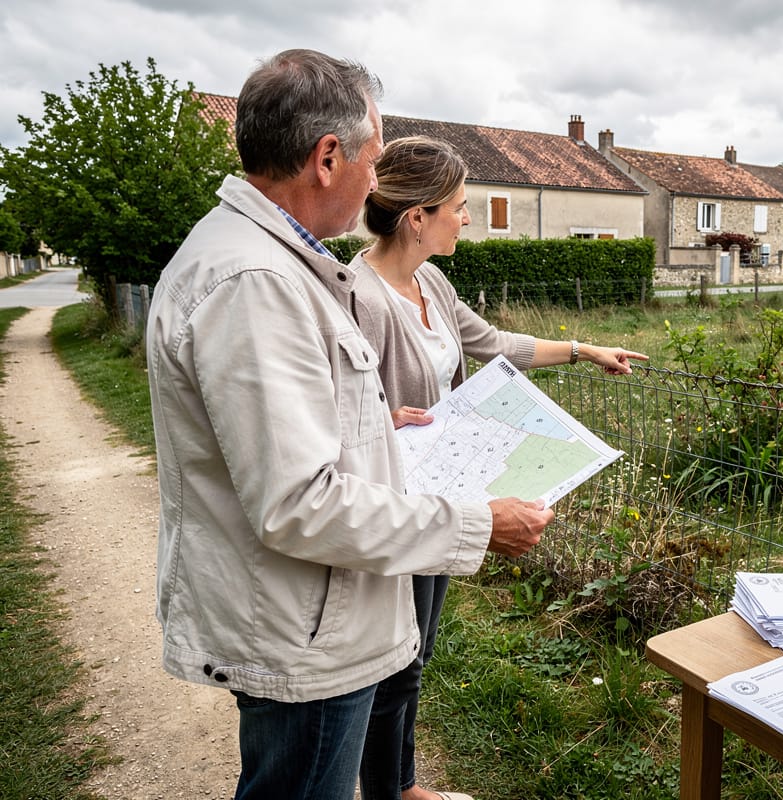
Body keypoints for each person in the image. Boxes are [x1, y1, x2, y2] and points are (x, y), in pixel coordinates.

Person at [144, 50, 554, 800]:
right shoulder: (257, 284)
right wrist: (474, 525)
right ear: (327, 157)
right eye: (372, 157)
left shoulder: (272, 263)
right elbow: (298, 501)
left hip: (311, 614)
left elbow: (284, 427)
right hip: (306, 634)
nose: (377, 182)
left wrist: (368, 419)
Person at [349, 135, 648, 800]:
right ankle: (385, 789)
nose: (467, 217)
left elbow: (493, 344)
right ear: (417, 216)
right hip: (395, 504)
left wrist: (582, 348)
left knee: (415, 654)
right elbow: (339, 408)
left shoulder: (431, 279)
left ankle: (398, 785)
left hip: (444, 490)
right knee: (389, 659)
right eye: (459, 206)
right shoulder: (358, 297)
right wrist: (379, 420)